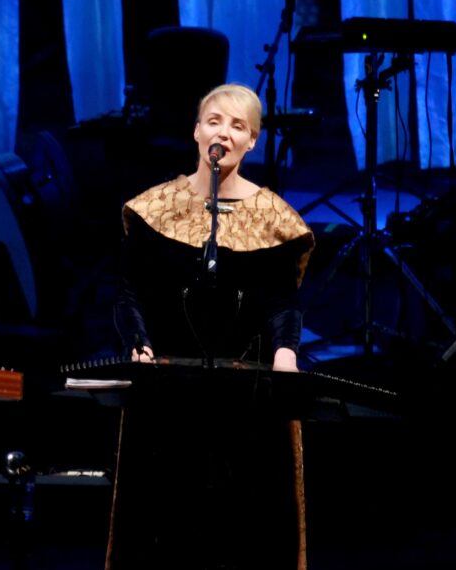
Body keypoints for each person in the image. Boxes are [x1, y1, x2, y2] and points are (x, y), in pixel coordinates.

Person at [106, 82, 316, 569]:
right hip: (167, 394)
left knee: (242, 533)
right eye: (214, 121)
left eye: (238, 126)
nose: (224, 132)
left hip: (246, 400)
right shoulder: (155, 208)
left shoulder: (272, 217)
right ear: (197, 131)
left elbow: (283, 301)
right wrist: (137, 342)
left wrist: (286, 352)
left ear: (252, 141)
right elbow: (128, 292)